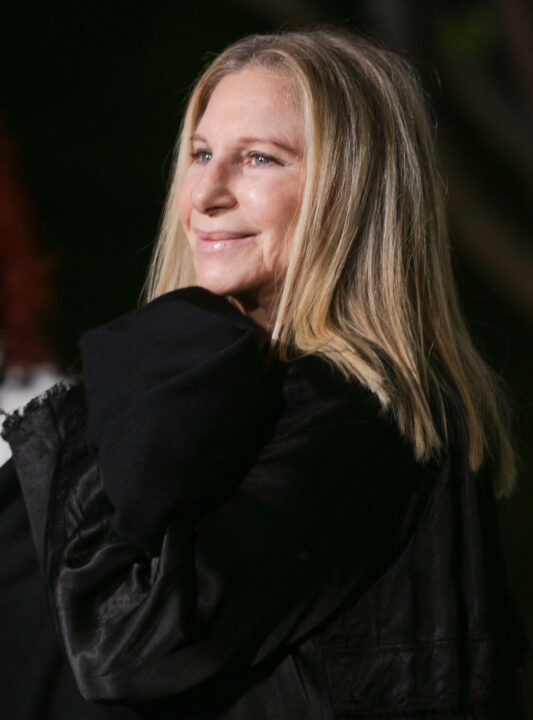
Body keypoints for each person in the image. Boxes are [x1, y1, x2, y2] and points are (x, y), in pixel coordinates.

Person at [1, 29, 530, 719]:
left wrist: (103, 412)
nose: (208, 193)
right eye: (200, 154)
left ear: (352, 191)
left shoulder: (356, 410)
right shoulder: (221, 385)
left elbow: (123, 649)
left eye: (258, 158)